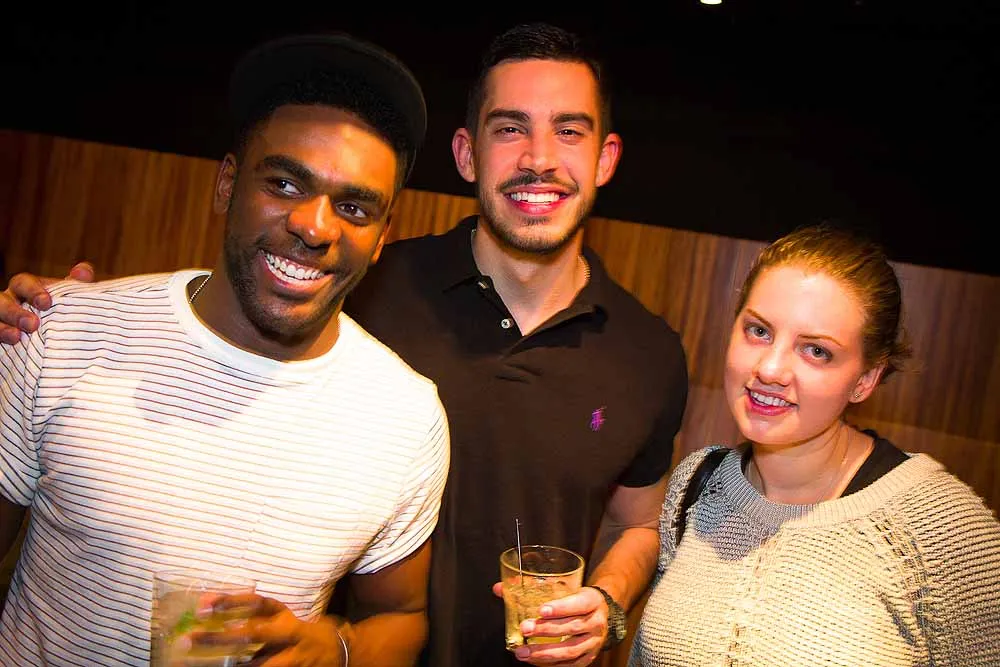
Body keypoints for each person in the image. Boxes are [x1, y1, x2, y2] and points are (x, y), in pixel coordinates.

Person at [0, 22, 689, 667]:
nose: (539, 158)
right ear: (466, 153)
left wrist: (608, 606)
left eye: (568, 131)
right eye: (510, 128)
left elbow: (639, 525)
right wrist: (64, 320)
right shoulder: (363, 285)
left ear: (605, 156)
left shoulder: (646, 355)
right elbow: (226, 302)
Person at [0, 32, 450, 667]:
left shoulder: (407, 418)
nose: (315, 226)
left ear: (380, 239)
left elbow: (399, 618)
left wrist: (334, 649)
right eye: (286, 184)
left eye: (353, 208)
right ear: (227, 184)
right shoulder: (59, 331)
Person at [627, 224, 1000, 666]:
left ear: (865, 379)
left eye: (816, 351)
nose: (770, 369)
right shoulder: (697, 484)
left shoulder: (942, 530)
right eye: (759, 331)